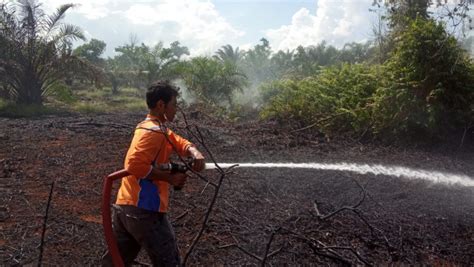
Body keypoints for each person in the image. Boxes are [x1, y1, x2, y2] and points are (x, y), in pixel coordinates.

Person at [102, 81, 205, 267]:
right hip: (145, 211)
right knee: (169, 262)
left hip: (125, 207)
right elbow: (133, 164)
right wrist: (169, 178)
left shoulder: (152, 126)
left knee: (116, 262)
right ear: (160, 105)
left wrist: (193, 151)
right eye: (173, 104)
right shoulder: (154, 132)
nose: (176, 109)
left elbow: (177, 140)